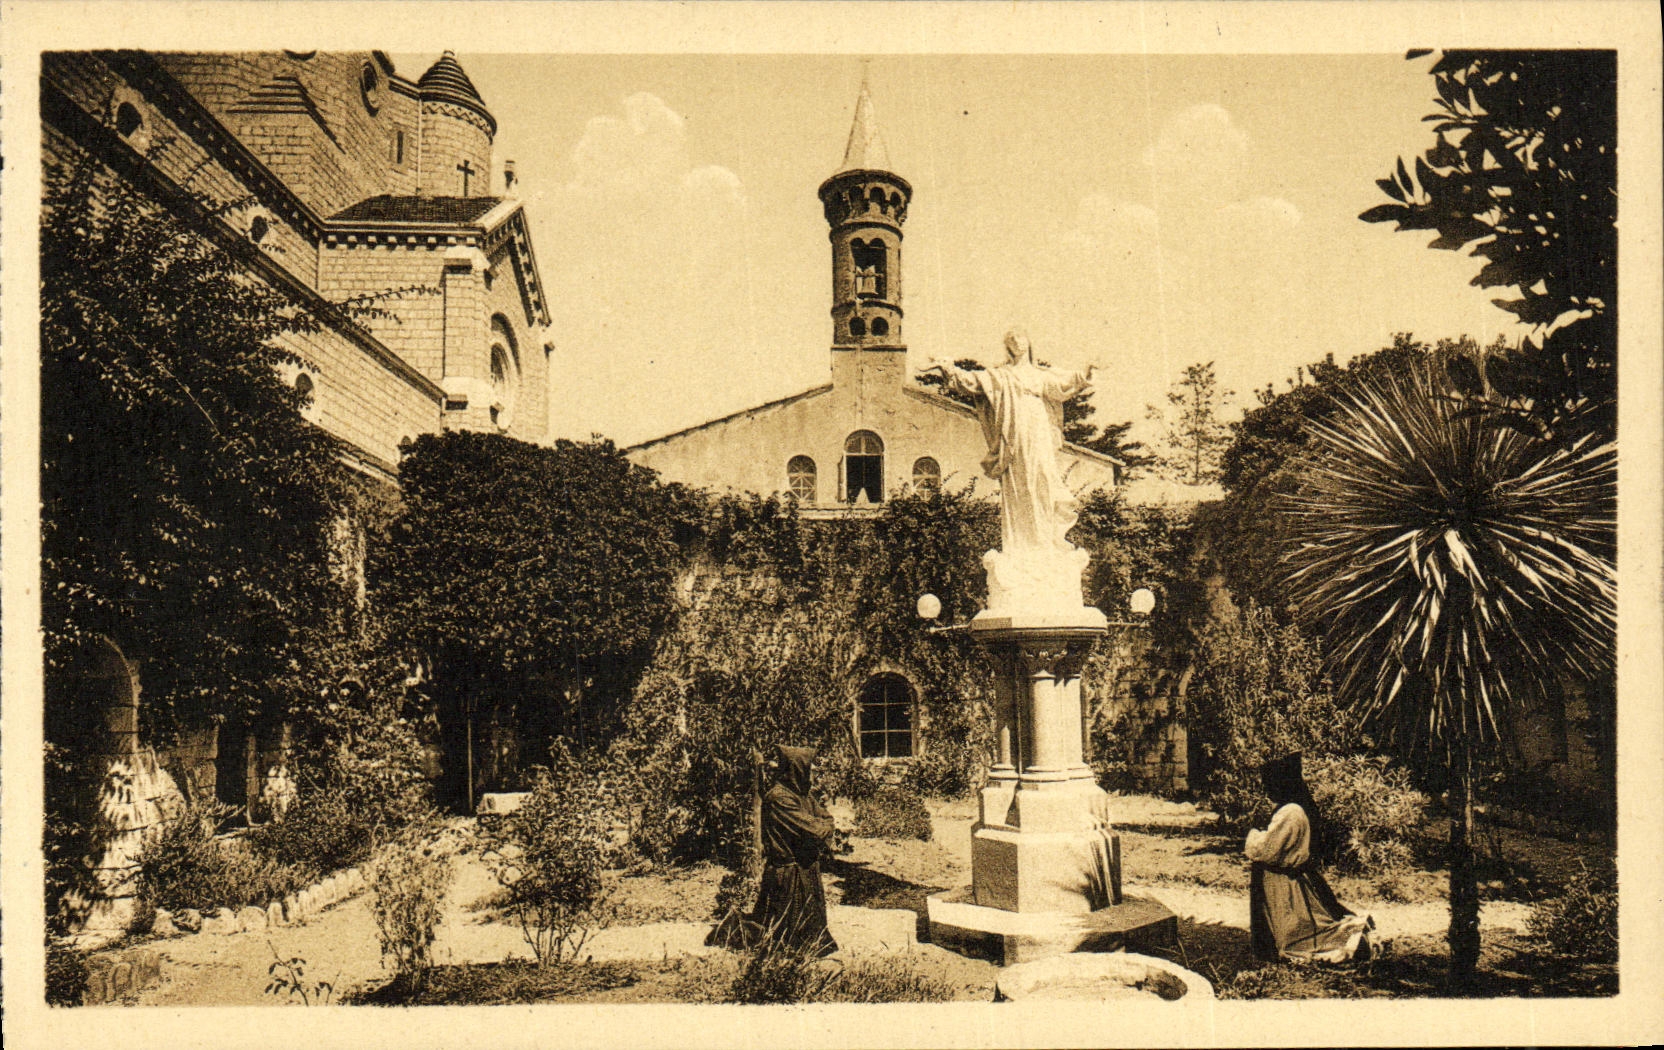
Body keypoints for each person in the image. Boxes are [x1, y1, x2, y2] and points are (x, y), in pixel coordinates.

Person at [923, 329, 1095, 554]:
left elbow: (1065, 386)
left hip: (1038, 427)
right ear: (1007, 347)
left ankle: (1047, 539)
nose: (1017, 342)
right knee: (1019, 478)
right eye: (1011, 340)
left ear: (1029, 342)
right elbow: (972, 381)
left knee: (1043, 475)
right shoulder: (1000, 375)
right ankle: (1022, 543)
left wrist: (1089, 372)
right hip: (1014, 431)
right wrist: (949, 368)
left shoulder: (1040, 375)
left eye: (1020, 337)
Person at [707, 745, 838, 957]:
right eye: (809, 768)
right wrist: (823, 826)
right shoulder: (779, 798)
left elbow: (827, 820)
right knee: (778, 940)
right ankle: (733, 927)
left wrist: (824, 825)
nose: (813, 773)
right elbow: (816, 830)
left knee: (811, 938)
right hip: (787, 876)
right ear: (796, 769)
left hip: (805, 870)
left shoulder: (803, 796)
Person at [1245, 753, 1374, 964]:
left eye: (1270, 784)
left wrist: (1253, 835)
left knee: (1294, 932)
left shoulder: (1291, 812)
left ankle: (1352, 941)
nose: (1267, 790)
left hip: (1283, 882)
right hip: (1289, 878)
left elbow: (1267, 850)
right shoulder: (1295, 808)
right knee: (1299, 923)